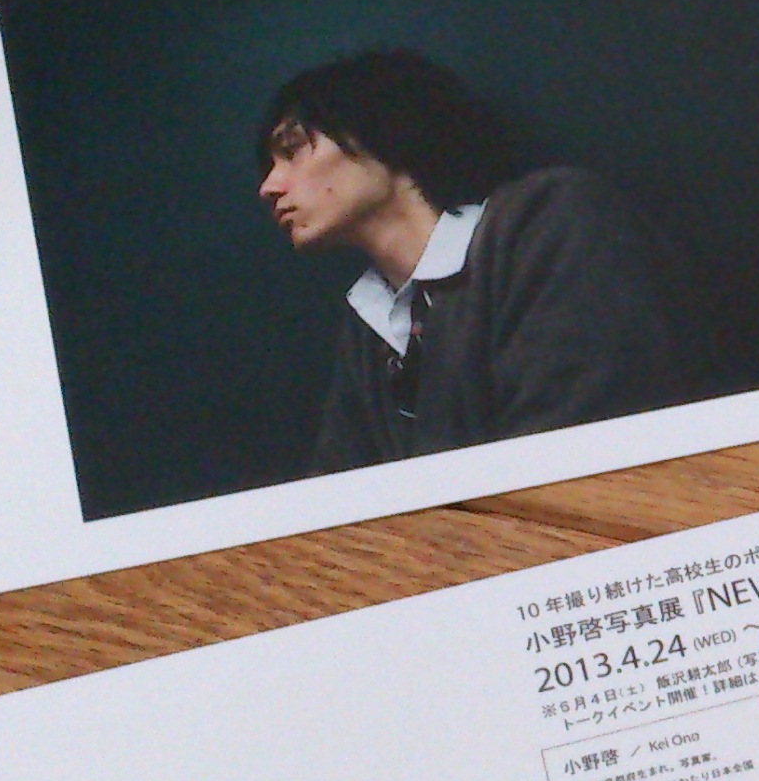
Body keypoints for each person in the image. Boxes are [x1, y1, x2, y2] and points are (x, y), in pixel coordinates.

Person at [253, 50, 696, 471]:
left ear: (378, 131)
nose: (269, 187)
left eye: (292, 150)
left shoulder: (551, 221)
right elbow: (344, 499)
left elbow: (575, 461)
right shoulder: (373, 325)